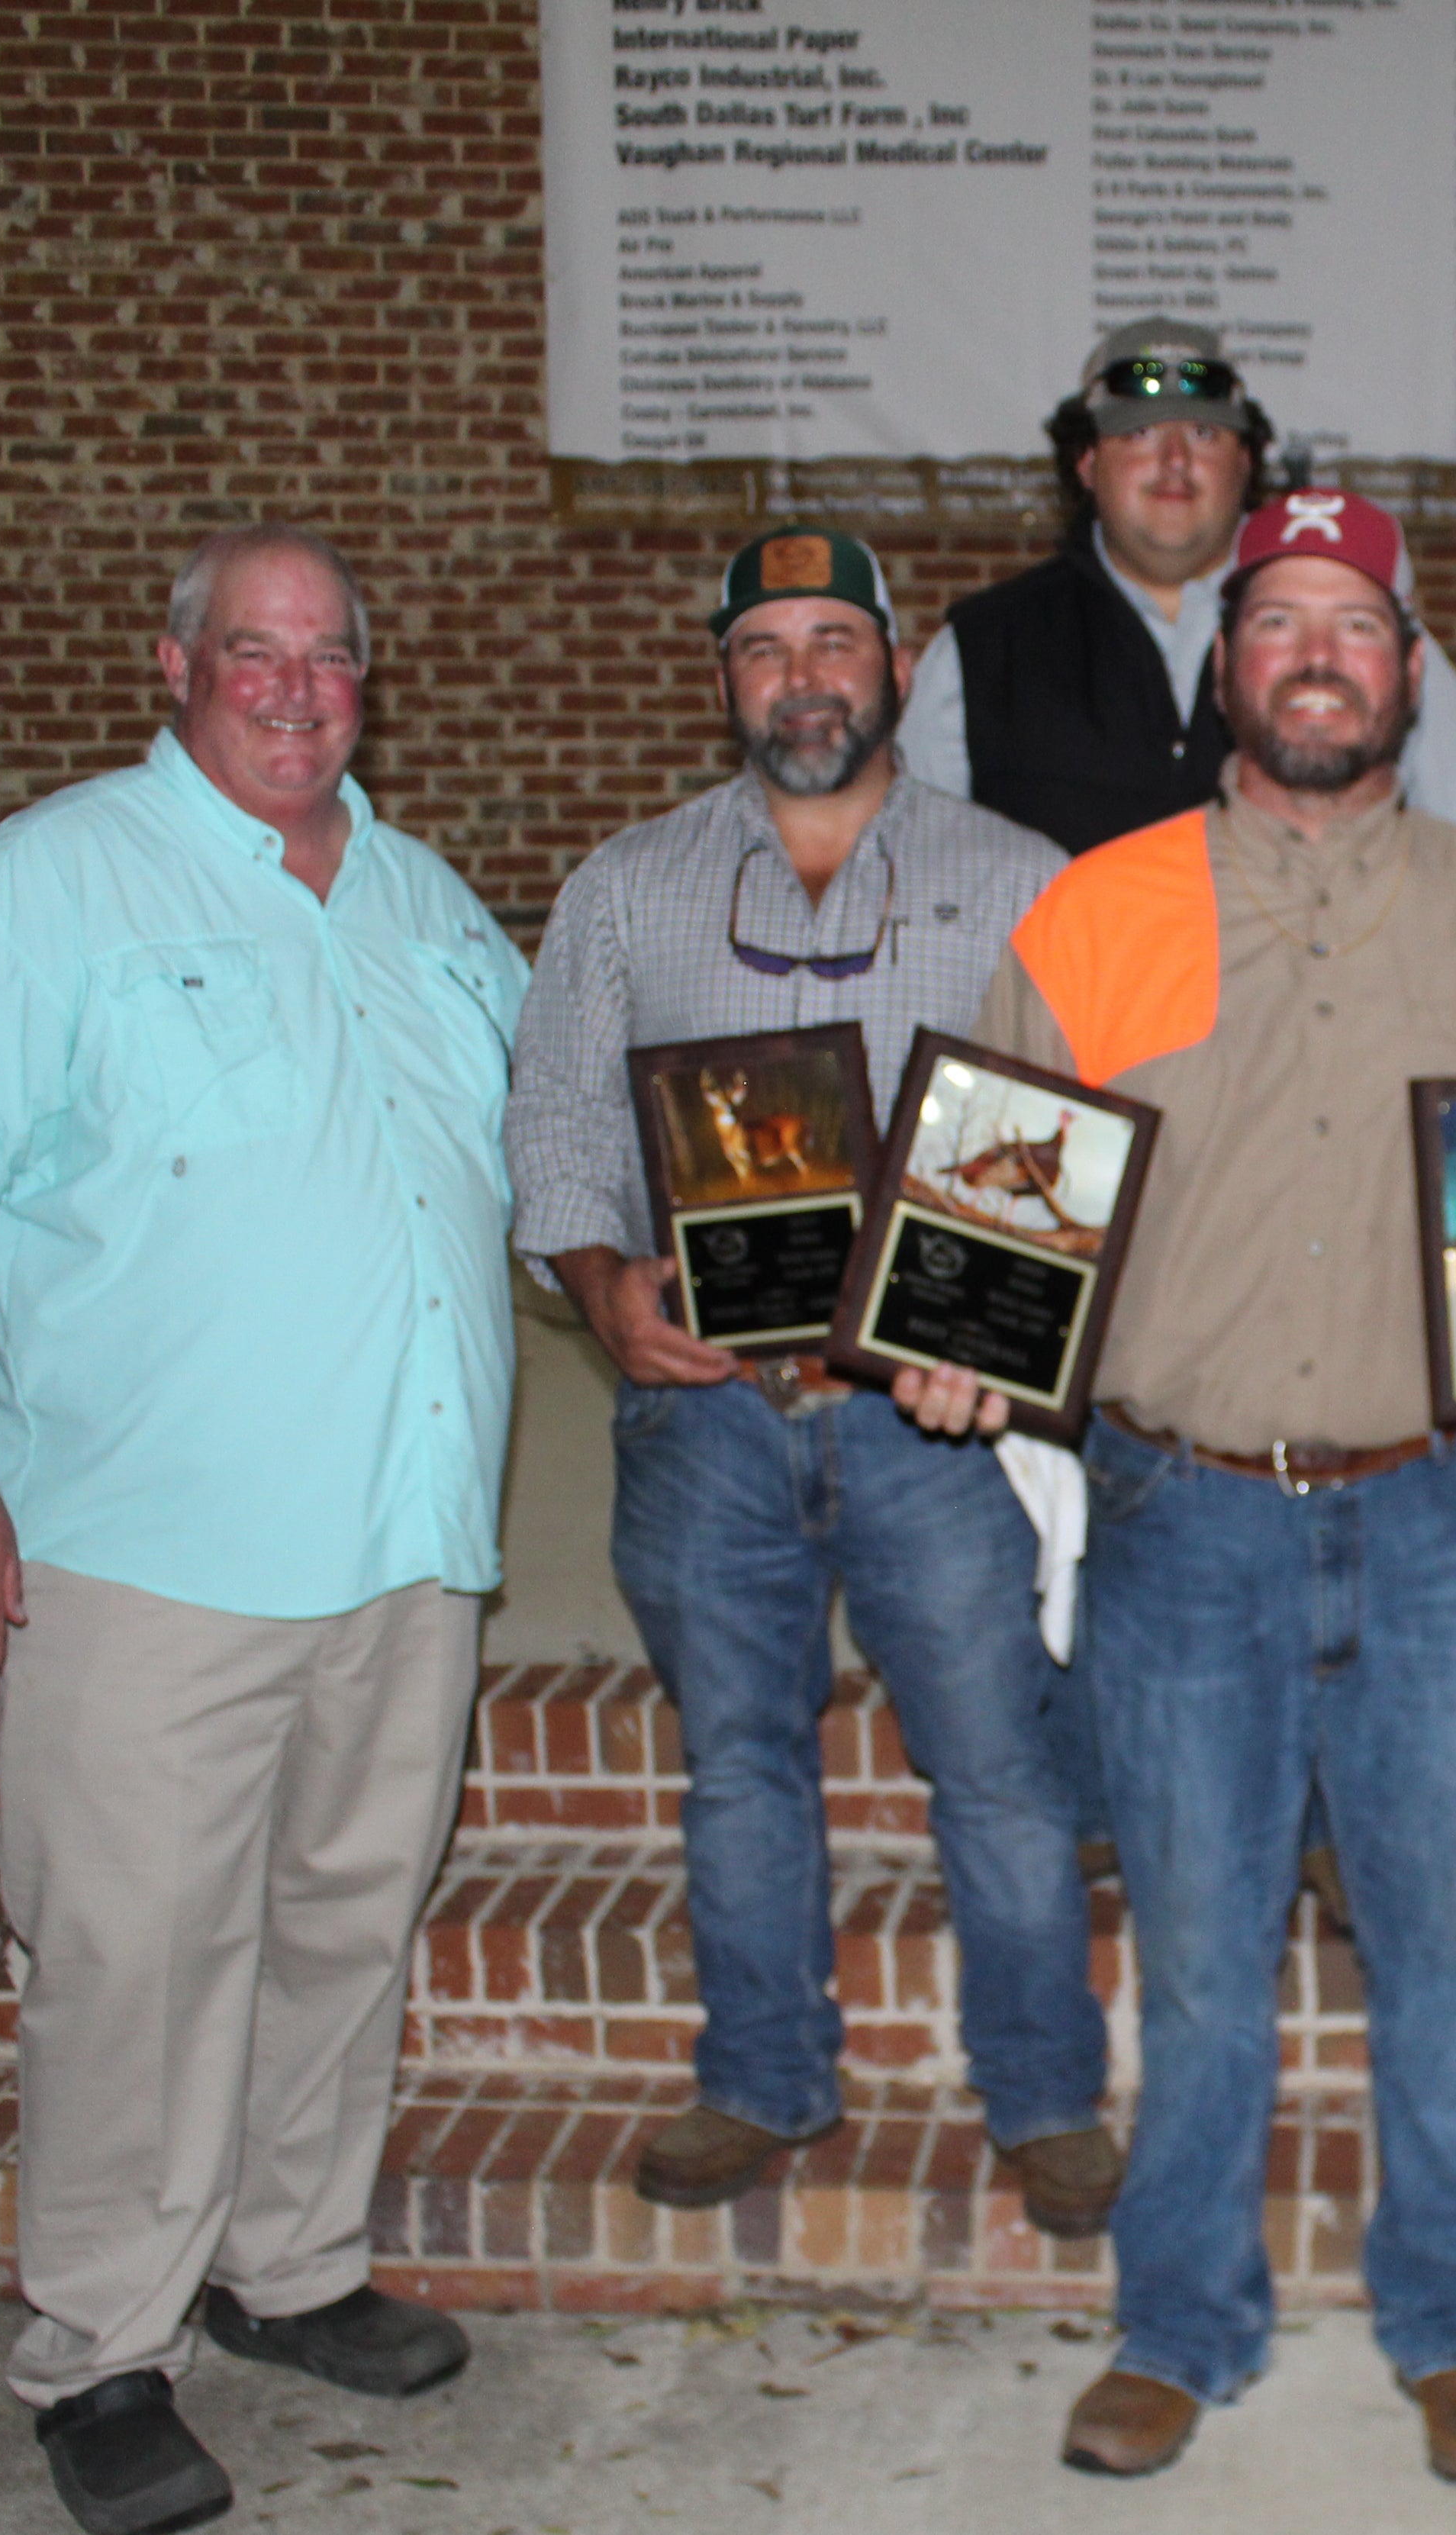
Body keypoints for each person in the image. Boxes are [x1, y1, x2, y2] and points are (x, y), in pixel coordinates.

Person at [906, 488, 1456, 2486]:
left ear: (1407, 670)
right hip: (1187, 1523)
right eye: (1279, 620)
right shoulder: (1106, 910)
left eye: (1355, 621)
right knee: (1209, 1971)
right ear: (1225, 669)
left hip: (1450, 1527)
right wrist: (961, 1344)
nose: (1317, 651)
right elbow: (997, 1218)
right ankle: (1182, 2323)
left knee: (1444, 1975)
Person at [0, 522, 527, 2535]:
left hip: (404, 1543)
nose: (295, 688)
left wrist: (690, 1281)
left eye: (330, 658)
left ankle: (290, 2265)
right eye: (255, 651)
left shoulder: (427, 905)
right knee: (133, 1960)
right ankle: (104, 2349)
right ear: (174, 664)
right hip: (151, 1551)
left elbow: (542, 1169)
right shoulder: (46, 887)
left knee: (342, 1917)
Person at [500, 528, 1119, 2240]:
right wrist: (602, 1283)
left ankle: (1046, 2095)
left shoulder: (1020, 877)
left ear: (896, 668)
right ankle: (761, 2078)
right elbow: (552, 1120)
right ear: (725, 678)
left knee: (996, 1769)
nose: (802, 677)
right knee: (741, 1763)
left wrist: (988, 1347)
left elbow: (1073, 1125)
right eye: (765, 647)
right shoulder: (627, 888)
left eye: (834, 640)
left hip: (932, 1428)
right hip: (705, 1419)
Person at [902, 314, 1456, 862]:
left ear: (1245, 463)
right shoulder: (984, 650)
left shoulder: (1358, 630)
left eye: (1204, 434)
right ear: (1088, 463)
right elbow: (910, 873)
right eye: (1141, 432)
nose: (1175, 460)